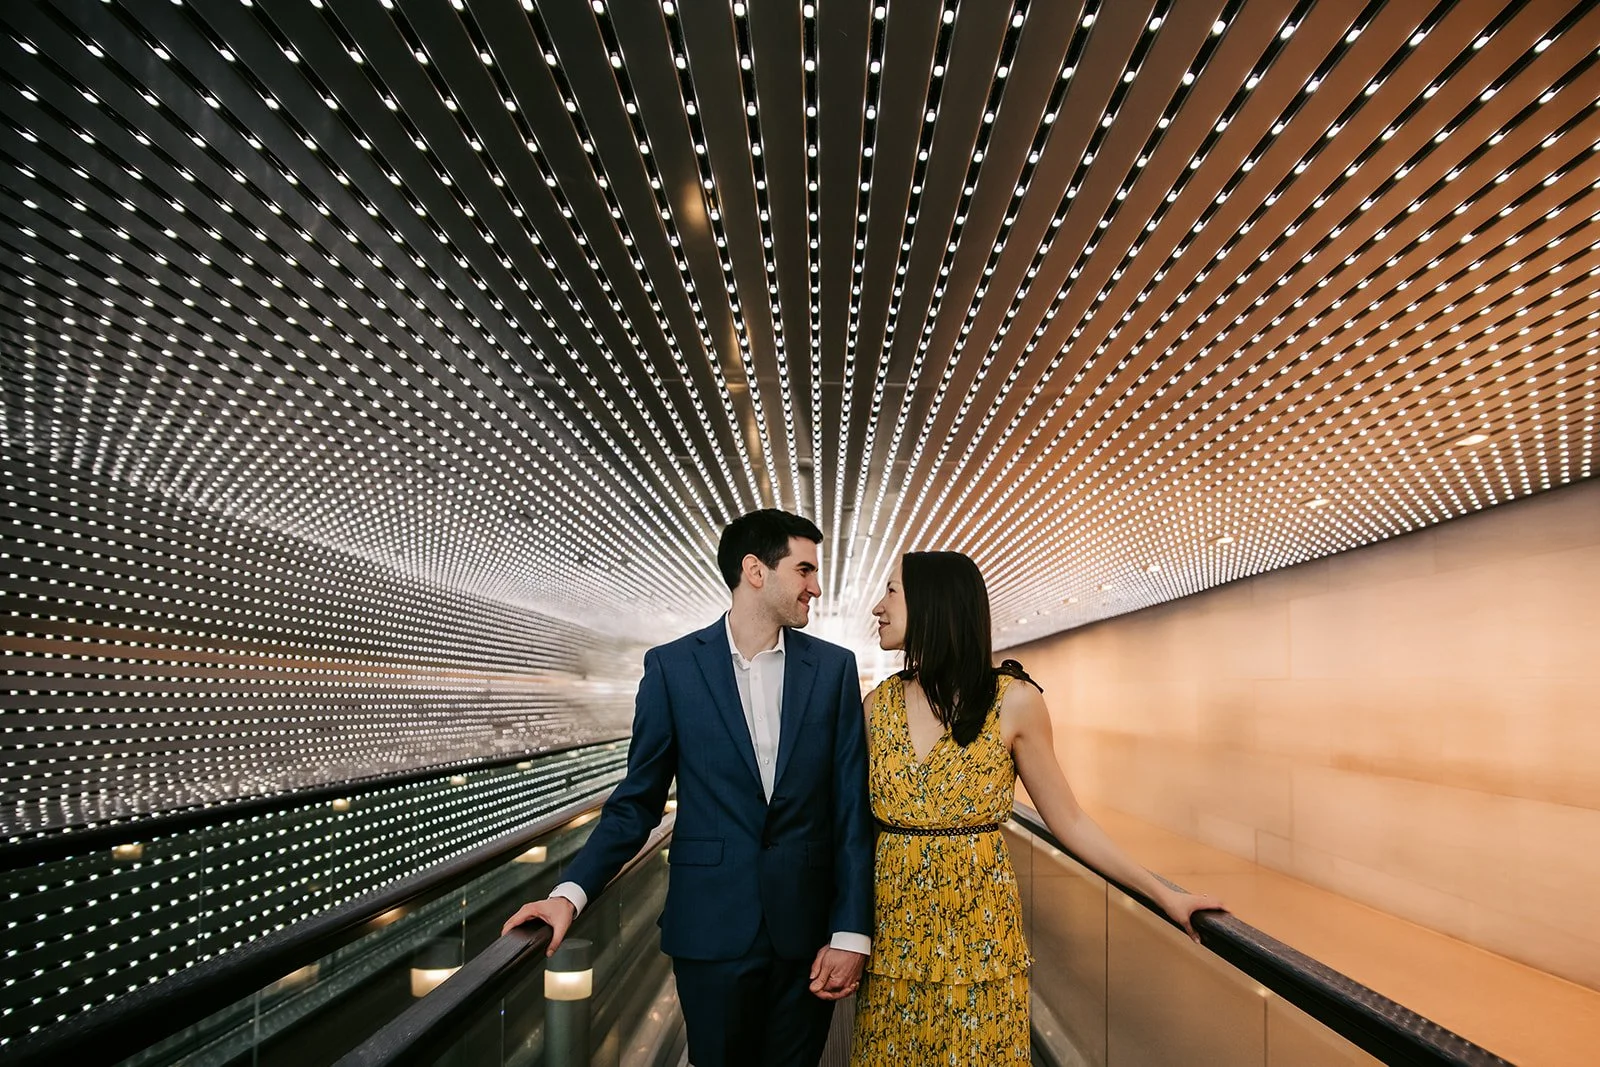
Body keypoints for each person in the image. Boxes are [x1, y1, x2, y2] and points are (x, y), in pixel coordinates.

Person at [503, 509, 874, 1067]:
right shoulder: (673, 668)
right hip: (710, 931)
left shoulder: (834, 669)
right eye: (804, 571)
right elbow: (637, 801)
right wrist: (568, 895)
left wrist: (850, 933)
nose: (815, 588)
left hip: (808, 935)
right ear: (755, 570)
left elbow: (850, 809)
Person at [851, 551, 1225, 1064]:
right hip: (895, 935)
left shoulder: (1014, 700)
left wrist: (1163, 894)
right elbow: (851, 829)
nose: (877, 606)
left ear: (934, 603)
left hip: (977, 934)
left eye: (891, 590)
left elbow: (1068, 819)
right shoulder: (878, 706)